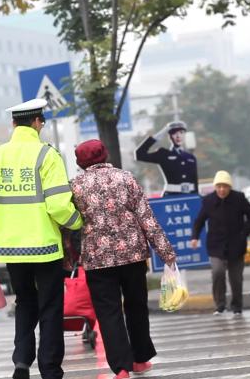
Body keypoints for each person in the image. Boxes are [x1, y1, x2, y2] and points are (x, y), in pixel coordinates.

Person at [0, 98, 83, 379]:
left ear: (13, 124)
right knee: (51, 307)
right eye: (41, 122)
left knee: (25, 302)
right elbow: (58, 204)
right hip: (44, 248)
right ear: (36, 122)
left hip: (10, 249)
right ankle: (50, 368)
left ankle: (21, 362)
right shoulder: (47, 156)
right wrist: (77, 222)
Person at [71, 139, 176, 379]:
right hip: (133, 255)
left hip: (98, 260)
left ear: (79, 162)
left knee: (109, 313)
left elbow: (71, 225)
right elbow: (145, 217)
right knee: (136, 307)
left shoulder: (75, 186)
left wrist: (71, 257)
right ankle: (140, 359)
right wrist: (166, 252)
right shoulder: (125, 178)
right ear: (105, 154)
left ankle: (120, 368)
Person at [191, 170, 250, 316]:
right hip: (216, 245)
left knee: (236, 278)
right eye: (219, 186)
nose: (222, 189)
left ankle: (237, 307)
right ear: (215, 187)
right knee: (218, 272)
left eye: (225, 186)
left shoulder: (239, 198)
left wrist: (244, 233)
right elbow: (199, 221)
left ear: (230, 187)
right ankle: (220, 305)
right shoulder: (208, 201)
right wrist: (194, 237)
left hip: (236, 245)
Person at [135, 120, 198, 195]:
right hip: (171, 195)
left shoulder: (190, 157)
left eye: (181, 133)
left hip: (189, 195)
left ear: (185, 135)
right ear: (170, 137)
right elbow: (139, 154)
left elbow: (194, 181)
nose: (178, 136)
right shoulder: (163, 154)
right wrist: (162, 132)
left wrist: (197, 197)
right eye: (174, 133)